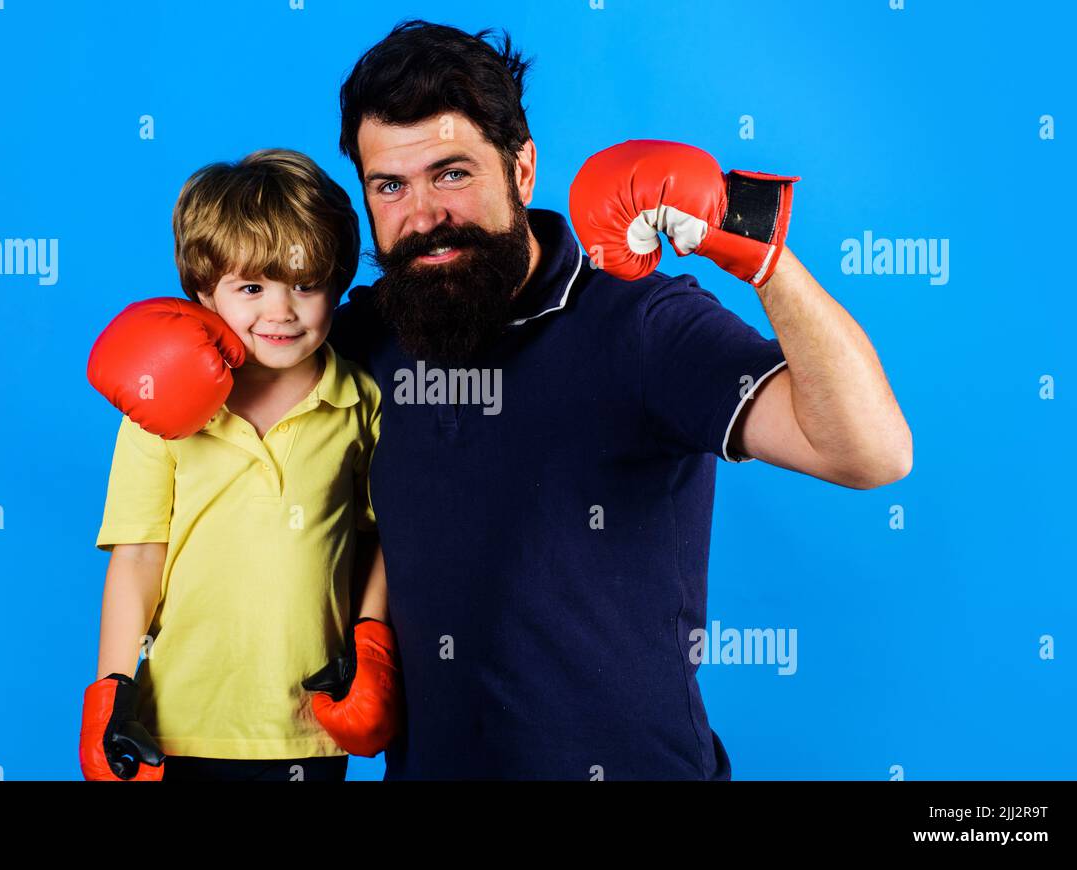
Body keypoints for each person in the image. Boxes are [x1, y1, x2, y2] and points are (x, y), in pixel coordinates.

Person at [327, 21, 912, 780]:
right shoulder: (373, 332)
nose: (423, 214)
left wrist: (756, 247)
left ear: (523, 168)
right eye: (390, 186)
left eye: (452, 174)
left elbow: (871, 451)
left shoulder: (637, 324)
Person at [80, 150, 400, 782]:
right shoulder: (158, 404)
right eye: (251, 288)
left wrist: (371, 640)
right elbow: (138, 554)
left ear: (336, 284)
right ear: (204, 289)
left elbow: (378, 536)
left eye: (305, 285)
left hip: (310, 722)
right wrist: (110, 691)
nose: (280, 312)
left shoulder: (359, 401)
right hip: (179, 719)